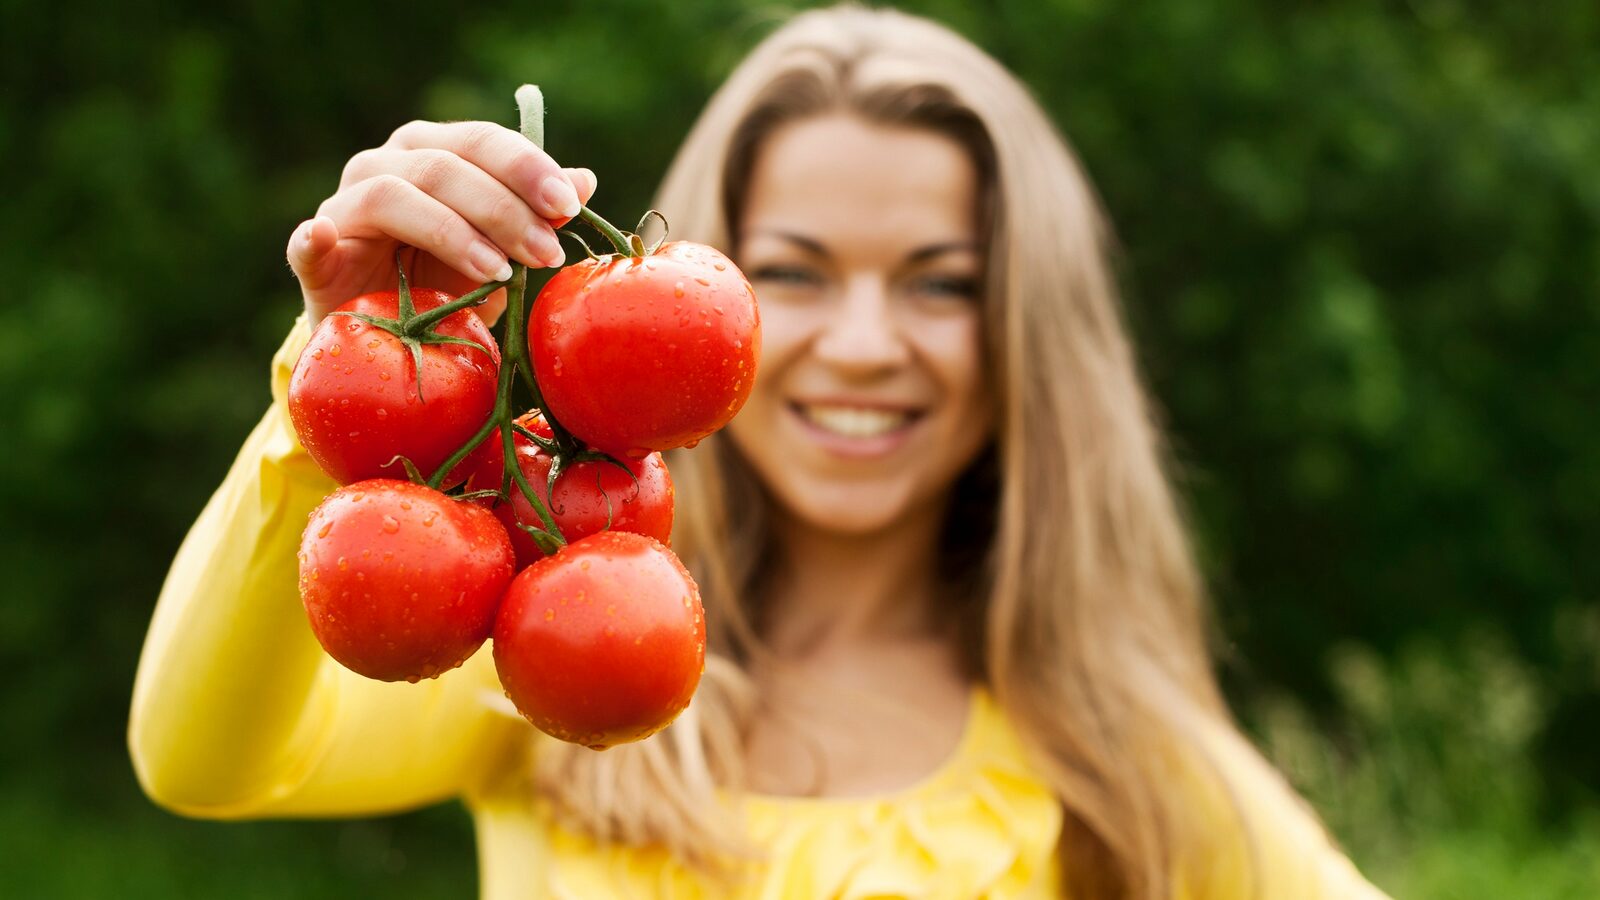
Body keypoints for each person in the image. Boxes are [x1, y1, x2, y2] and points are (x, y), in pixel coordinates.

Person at [128, 6, 1393, 898]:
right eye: (791, 270)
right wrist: (339, 382)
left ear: (1028, 336)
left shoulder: (1121, 761)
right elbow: (198, 763)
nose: (856, 343)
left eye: (940, 284)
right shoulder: (539, 666)